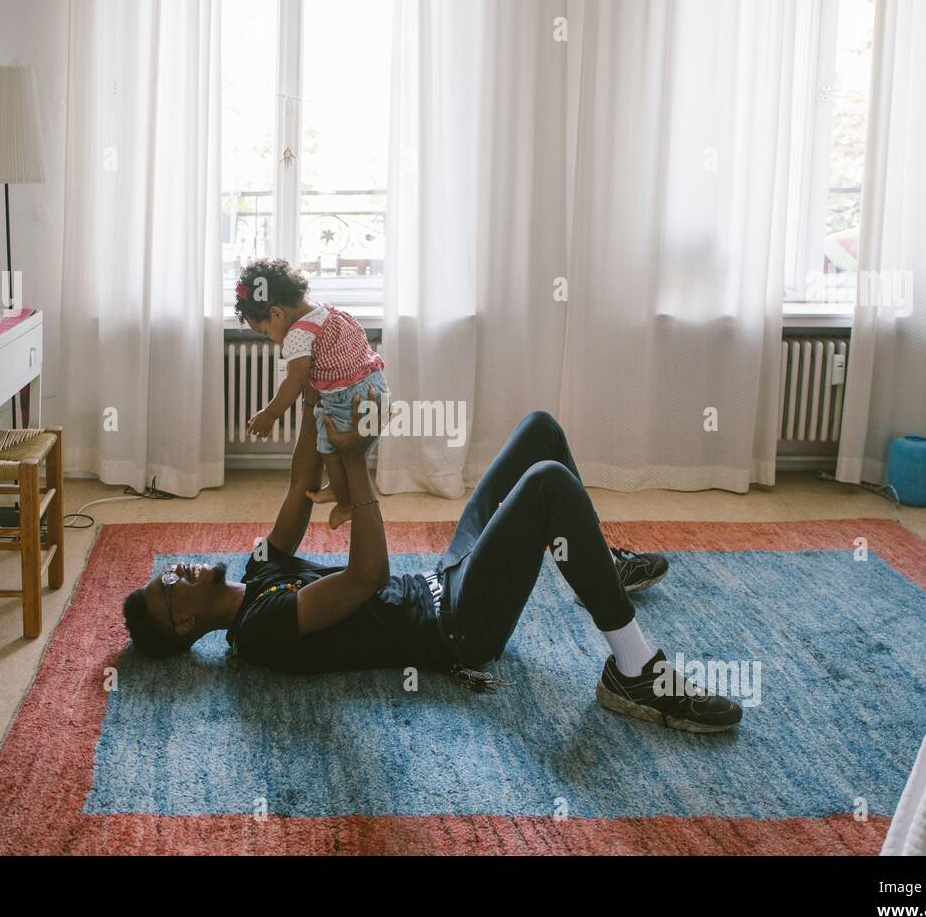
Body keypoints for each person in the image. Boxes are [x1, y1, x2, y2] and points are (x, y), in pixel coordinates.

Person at [122, 394, 743, 733]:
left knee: (539, 429)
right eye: (168, 586)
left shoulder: (257, 569)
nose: (177, 569)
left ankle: (594, 567)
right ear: (184, 625)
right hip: (460, 627)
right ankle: (635, 671)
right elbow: (365, 577)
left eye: (167, 570)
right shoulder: (260, 629)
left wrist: (322, 404)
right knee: (549, 483)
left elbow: (296, 491)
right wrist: (357, 466)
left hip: (444, 577)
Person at [237, 258, 387, 529]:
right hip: (375, 386)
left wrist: (270, 414)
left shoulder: (297, 335)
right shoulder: (322, 310)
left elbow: (295, 380)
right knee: (343, 453)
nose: (270, 338)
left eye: (264, 330)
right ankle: (337, 489)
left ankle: (344, 504)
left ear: (277, 314)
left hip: (348, 397)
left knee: (329, 449)